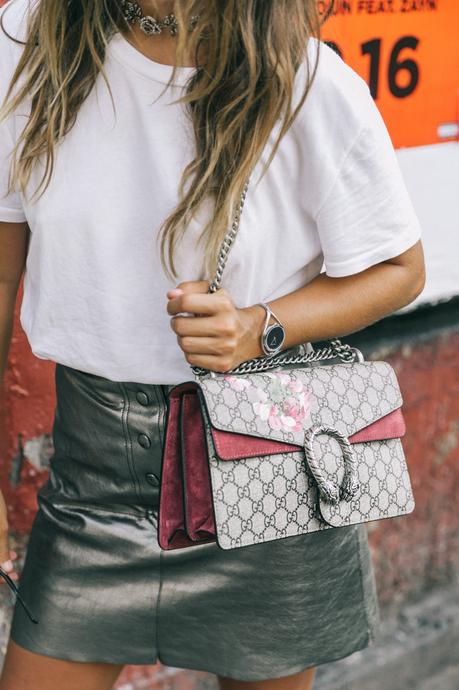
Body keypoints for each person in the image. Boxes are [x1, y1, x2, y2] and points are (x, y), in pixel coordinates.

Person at [0, 0, 425, 689]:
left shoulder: (305, 82)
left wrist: (261, 324)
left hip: (264, 469)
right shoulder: (28, 39)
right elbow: (2, 266)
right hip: (95, 478)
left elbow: (398, 268)